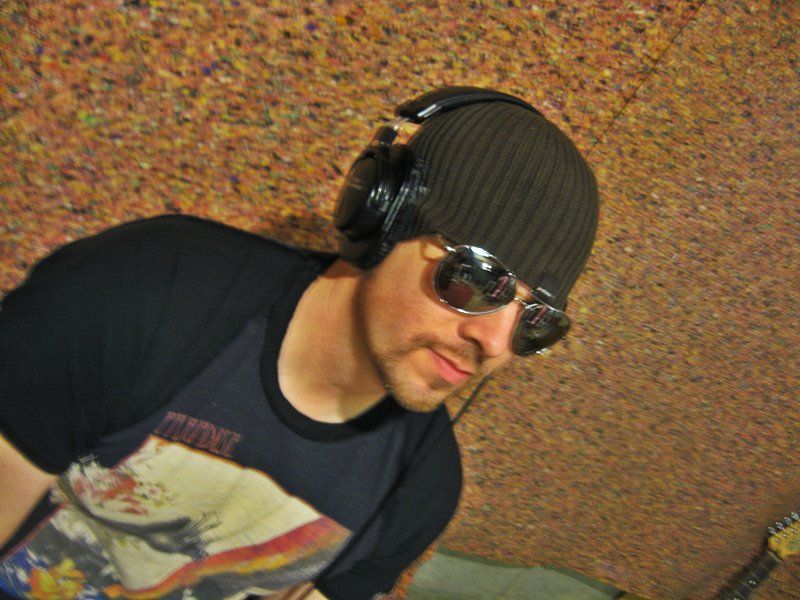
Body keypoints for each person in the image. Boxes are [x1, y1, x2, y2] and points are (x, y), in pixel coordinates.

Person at [0, 87, 598, 599]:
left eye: (534, 321)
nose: (494, 342)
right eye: (477, 279)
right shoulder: (144, 292)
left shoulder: (423, 488)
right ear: (381, 218)